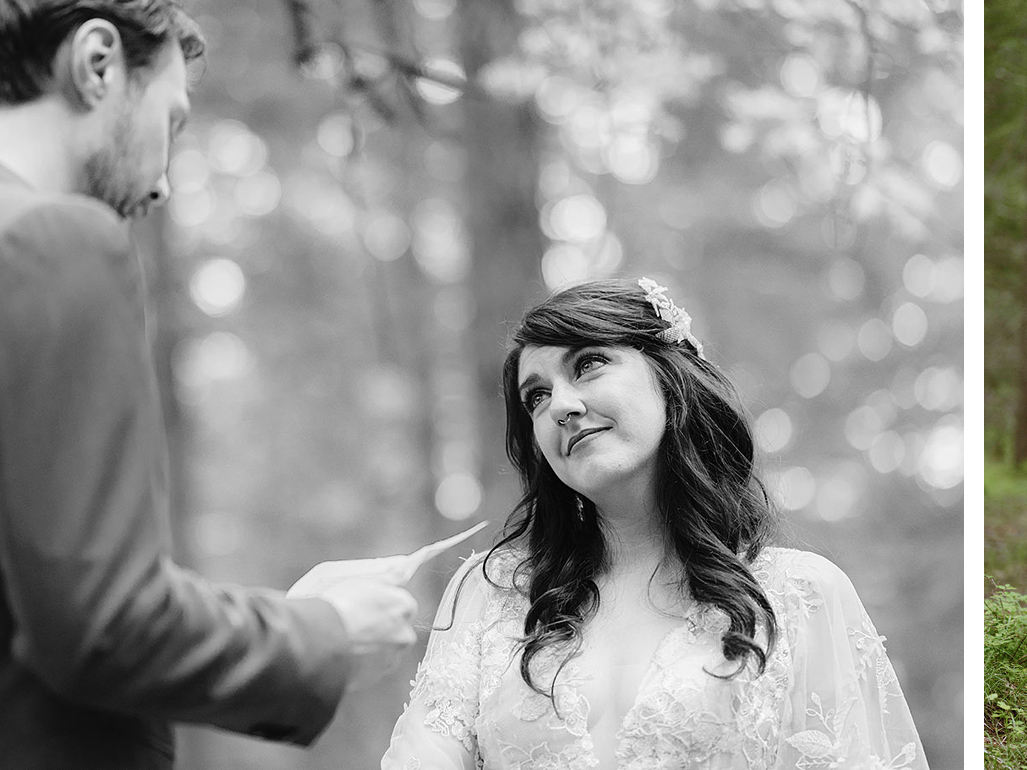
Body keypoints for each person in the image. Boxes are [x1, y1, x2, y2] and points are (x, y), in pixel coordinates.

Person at [0, 3, 420, 768]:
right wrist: (324, 633)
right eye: (173, 119)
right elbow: (104, 630)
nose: (160, 185)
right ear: (97, 66)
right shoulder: (56, 241)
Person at [382, 279, 927, 769]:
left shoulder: (801, 595)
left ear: (669, 377)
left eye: (588, 364)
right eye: (537, 397)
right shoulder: (492, 593)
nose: (560, 408)